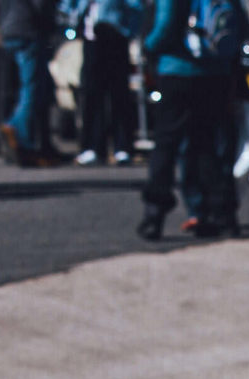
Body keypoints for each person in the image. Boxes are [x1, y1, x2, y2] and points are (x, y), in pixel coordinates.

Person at [136, 0, 238, 237]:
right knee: (207, 145)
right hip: (214, 72)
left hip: (177, 71)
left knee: (166, 144)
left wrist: (149, 47)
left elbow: (166, 25)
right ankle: (222, 213)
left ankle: (155, 212)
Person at [73, 0, 140, 162]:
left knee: (119, 94)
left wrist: (129, 31)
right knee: (91, 93)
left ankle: (122, 146)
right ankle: (93, 146)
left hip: (115, 38)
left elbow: (136, 7)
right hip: (92, 41)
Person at [0, 0, 55, 164]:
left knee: (15, 87)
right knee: (31, 89)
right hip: (28, 29)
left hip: (7, 29)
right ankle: (18, 134)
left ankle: (17, 136)